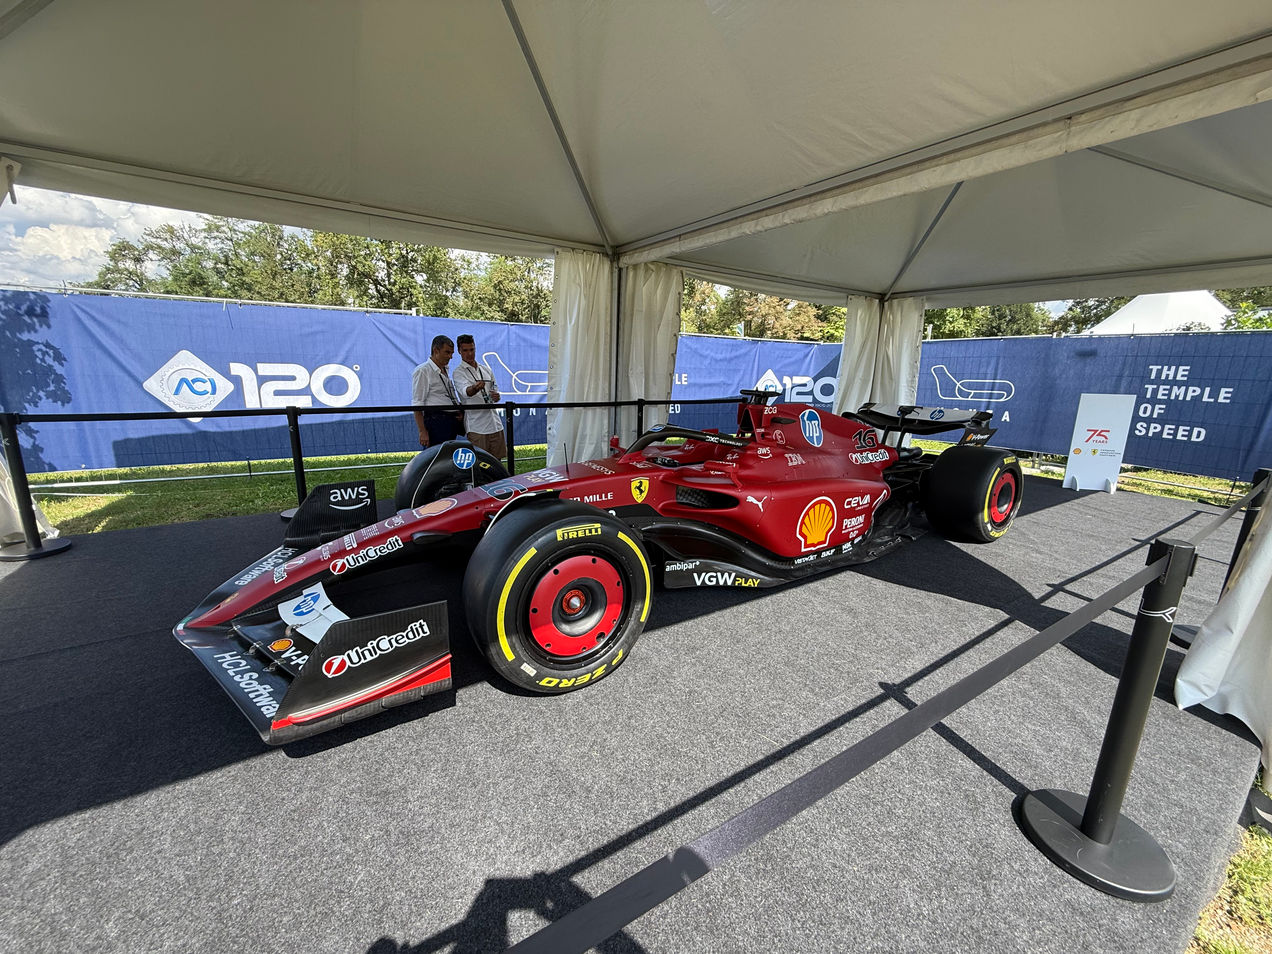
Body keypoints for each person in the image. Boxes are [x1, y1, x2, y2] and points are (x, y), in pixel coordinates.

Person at [455, 333, 507, 459]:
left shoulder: (485, 369)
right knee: (481, 464)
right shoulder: (458, 372)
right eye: (465, 350)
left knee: (497, 463)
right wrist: (476, 387)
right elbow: (465, 392)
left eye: (472, 349)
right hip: (477, 427)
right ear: (459, 351)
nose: (469, 353)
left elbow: (495, 388)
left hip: (495, 423)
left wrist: (496, 396)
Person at [411, 335, 463, 447]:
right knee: (435, 459)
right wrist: (422, 431)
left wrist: (458, 410)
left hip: (451, 421)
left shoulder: (445, 369)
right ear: (436, 350)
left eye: (452, 353)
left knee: (447, 458)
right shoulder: (423, 371)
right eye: (447, 352)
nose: (450, 357)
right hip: (435, 422)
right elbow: (417, 404)